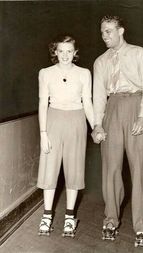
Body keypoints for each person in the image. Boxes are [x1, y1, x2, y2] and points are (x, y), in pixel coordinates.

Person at [92, 15, 143, 248]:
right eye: (102, 32)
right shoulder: (100, 61)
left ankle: (142, 226)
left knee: (139, 168)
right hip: (112, 108)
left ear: (121, 31)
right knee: (111, 168)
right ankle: (110, 220)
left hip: (136, 106)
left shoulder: (140, 53)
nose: (104, 36)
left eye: (108, 31)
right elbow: (98, 96)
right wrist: (97, 124)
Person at [37, 34, 94, 237]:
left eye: (69, 51)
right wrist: (43, 133)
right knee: (49, 168)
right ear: (55, 52)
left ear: (75, 53)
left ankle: (70, 217)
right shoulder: (45, 73)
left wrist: (95, 126)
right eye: (61, 51)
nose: (65, 55)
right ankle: (47, 215)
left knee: (74, 168)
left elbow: (87, 102)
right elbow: (43, 103)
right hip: (53, 120)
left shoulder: (84, 73)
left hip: (77, 121)